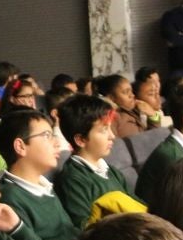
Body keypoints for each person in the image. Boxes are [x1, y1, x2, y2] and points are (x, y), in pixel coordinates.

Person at [0, 108, 79, 240]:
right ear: (20, 146)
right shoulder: (7, 198)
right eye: (47, 136)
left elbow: (67, 234)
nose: (57, 143)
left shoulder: (44, 186)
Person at [54, 94, 143, 229]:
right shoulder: (72, 179)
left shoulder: (111, 171)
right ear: (81, 140)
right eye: (103, 130)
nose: (112, 136)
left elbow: (136, 203)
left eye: (110, 128)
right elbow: (84, 228)